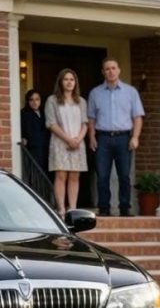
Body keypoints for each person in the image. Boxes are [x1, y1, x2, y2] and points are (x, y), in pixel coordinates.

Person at [87, 57, 145, 217]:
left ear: (119, 70)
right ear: (103, 72)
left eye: (113, 68)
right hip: (103, 138)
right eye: (107, 69)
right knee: (102, 175)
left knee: (124, 175)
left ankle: (125, 209)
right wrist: (91, 137)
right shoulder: (95, 93)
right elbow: (91, 118)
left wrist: (135, 137)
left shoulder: (131, 92)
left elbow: (138, 117)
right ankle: (104, 209)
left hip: (124, 138)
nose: (111, 71)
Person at [44, 69, 88, 216]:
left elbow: (85, 123)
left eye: (72, 80)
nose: (69, 82)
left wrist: (78, 139)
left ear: (75, 83)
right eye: (66, 79)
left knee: (75, 176)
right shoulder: (52, 100)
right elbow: (51, 123)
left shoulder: (81, 101)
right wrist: (68, 139)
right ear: (60, 82)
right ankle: (62, 208)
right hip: (60, 142)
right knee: (61, 175)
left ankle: (73, 208)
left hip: (77, 143)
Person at [20, 88, 50, 174]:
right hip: (32, 150)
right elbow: (21, 129)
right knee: (34, 175)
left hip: (45, 149)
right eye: (31, 100)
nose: (35, 102)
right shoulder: (23, 113)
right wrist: (22, 137)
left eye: (37, 99)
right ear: (27, 101)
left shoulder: (45, 113)